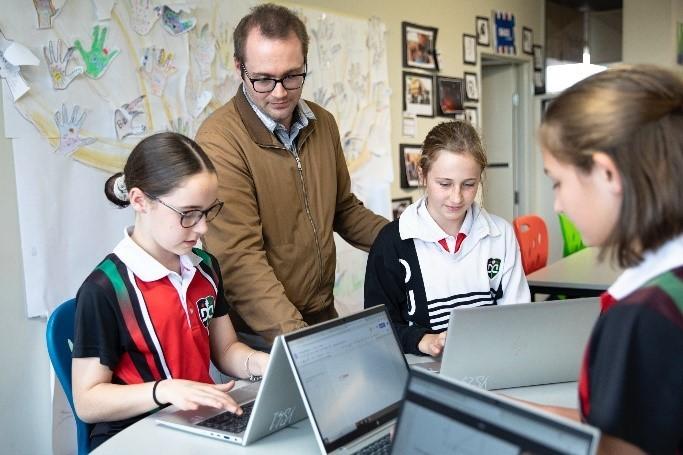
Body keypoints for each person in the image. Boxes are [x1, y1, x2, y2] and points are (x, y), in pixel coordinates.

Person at [195, 4, 387, 346]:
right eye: (264, 79)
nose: (280, 92)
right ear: (239, 67)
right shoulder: (220, 140)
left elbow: (343, 209)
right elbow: (239, 261)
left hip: (319, 315)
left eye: (292, 75)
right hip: (259, 332)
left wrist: (412, 239)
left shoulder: (322, 123)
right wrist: (300, 339)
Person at [72, 132, 269, 450]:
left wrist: (263, 364)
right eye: (188, 214)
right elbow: (88, 400)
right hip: (135, 434)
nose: (202, 227)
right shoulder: (106, 289)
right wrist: (164, 390)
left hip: (198, 422)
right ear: (139, 201)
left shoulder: (204, 267)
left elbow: (226, 350)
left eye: (207, 212)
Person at [533, 65, 683, 454]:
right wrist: (495, 412)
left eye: (558, 181)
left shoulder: (642, 319)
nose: (558, 205)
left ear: (607, 173)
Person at [364, 121, 530, 356]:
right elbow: (375, 330)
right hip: (423, 373)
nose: (456, 197)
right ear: (422, 174)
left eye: (469, 185)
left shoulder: (501, 235)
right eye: (444, 184)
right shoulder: (392, 244)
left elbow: (519, 315)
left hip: (494, 361)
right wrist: (421, 340)